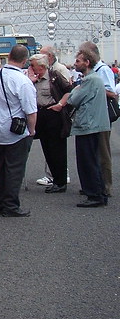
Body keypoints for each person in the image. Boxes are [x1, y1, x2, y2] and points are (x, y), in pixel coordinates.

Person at [51, 49, 109, 207]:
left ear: (87, 62)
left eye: (78, 61)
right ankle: (99, 192)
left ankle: (94, 195)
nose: (75, 64)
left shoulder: (89, 80)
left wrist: (75, 90)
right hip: (93, 124)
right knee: (93, 160)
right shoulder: (94, 79)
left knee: (87, 162)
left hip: (87, 125)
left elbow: (74, 99)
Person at [0, 43, 38, 217]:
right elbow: (30, 111)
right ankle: (11, 206)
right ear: (25, 61)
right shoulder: (23, 81)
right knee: (14, 169)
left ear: (9, 56)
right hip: (15, 132)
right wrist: (31, 131)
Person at [28, 54, 70, 193]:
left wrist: (60, 104)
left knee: (57, 149)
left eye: (33, 65)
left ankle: (61, 181)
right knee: (47, 148)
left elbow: (69, 91)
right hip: (40, 114)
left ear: (42, 66)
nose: (31, 68)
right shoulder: (32, 79)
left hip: (53, 113)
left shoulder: (54, 76)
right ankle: (54, 180)